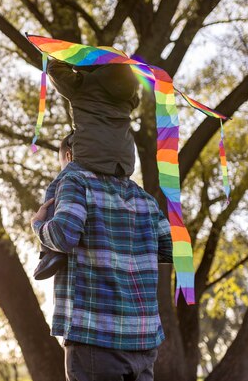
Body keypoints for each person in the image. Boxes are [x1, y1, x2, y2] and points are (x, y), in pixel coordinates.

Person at [30, 132, 173, 381]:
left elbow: (64, 235)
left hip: (95, 335)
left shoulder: (75, 181)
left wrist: (38, 225)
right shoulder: (144, 199)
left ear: (69, 155)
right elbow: (170, 249)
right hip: (143, 338)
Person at [33, 58, 140, 280]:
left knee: (57, 186)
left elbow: (54, 69)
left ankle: (50, 252)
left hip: (92, 153)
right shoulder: (128, 97)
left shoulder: (83, 85)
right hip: (124, 161)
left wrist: (76, 59)